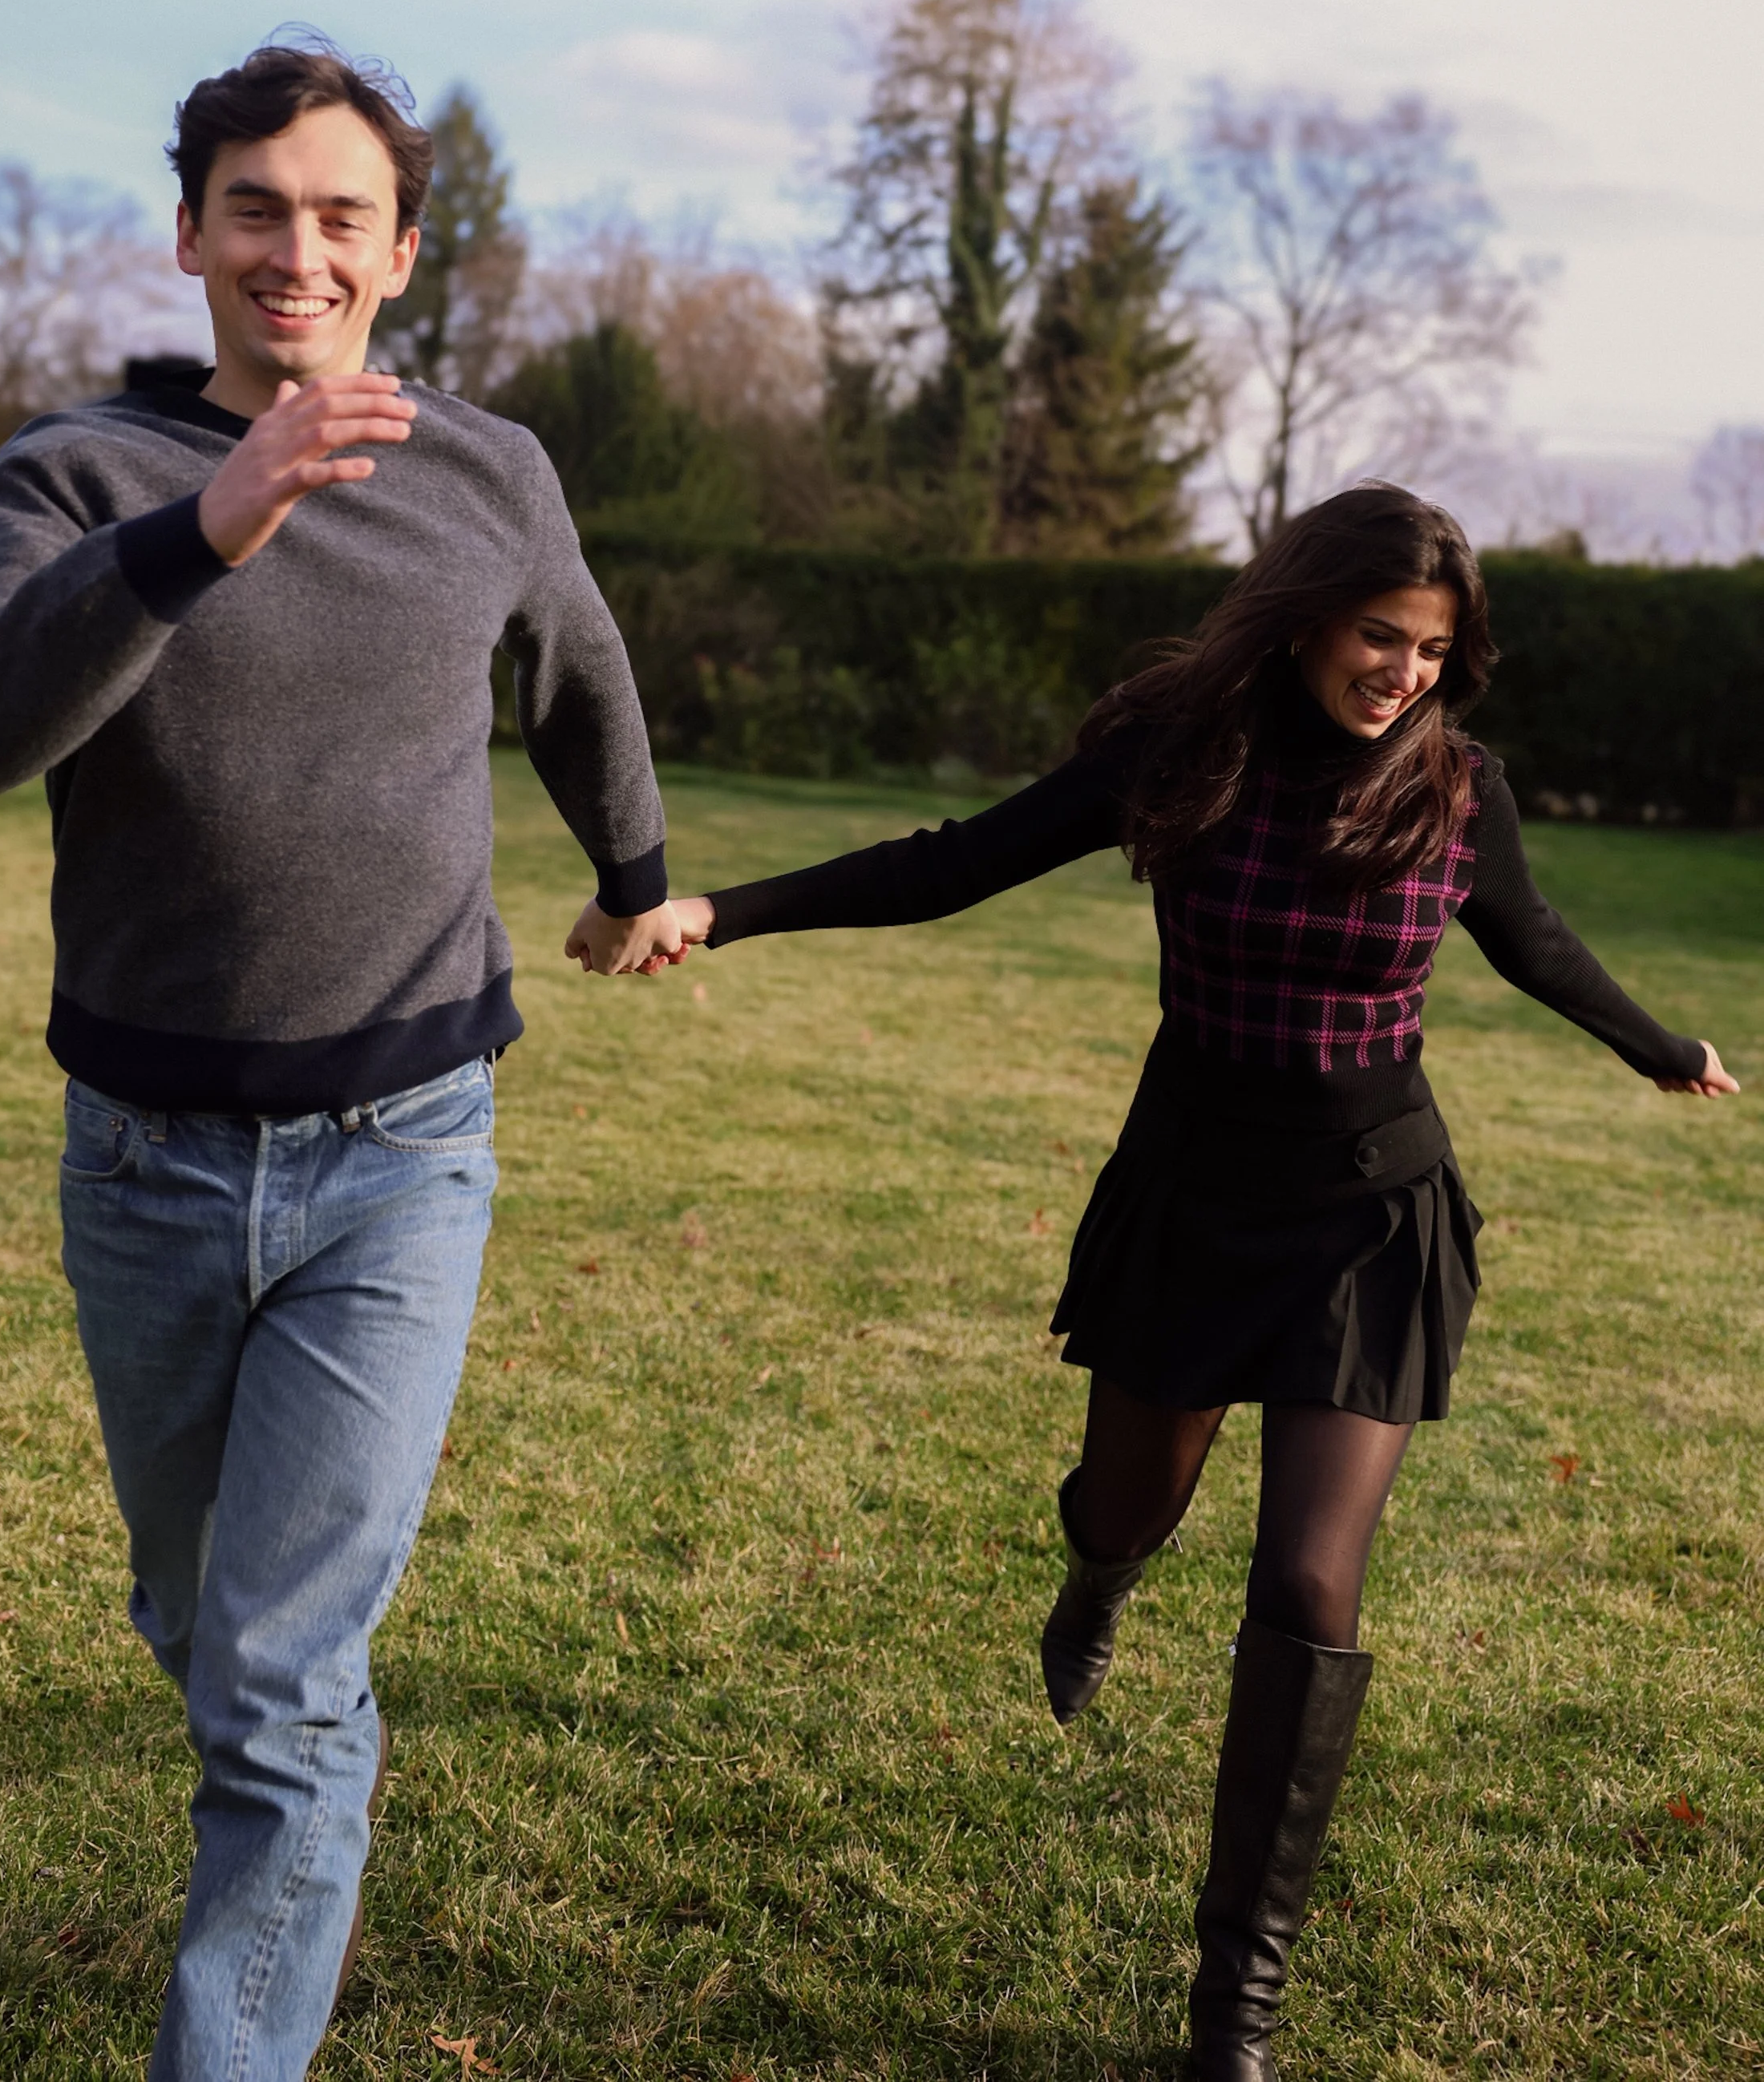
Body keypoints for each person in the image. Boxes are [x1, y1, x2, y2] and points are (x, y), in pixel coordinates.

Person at [604, 487, 1736, 2082]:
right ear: (1304, 617)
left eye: (1428, 650)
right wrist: (723, 912)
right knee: (1127, 1502)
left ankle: (1232, 2012)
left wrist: (1656, 1046)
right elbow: (957, 862)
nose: (1399, 672)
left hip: (1368, 1215)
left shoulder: (1453, 792)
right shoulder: (1181, 751)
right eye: (1374, 636)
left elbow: (1528, 936)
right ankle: (1100, 1573)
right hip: (1195, 1193)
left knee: (1306, 1589)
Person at [0, 38, 682, 2082]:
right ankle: (286, 1769)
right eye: (255, 206)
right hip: (146, 1161)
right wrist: (207, 527)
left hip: (400, 1148)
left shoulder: (488, 472)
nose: (295, 248)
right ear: (188, 234)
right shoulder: (73, 478)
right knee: (207, 1631)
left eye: (342, 214)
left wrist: (634, 872)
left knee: (272, 1672)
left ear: (400, 253)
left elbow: (578, 666)